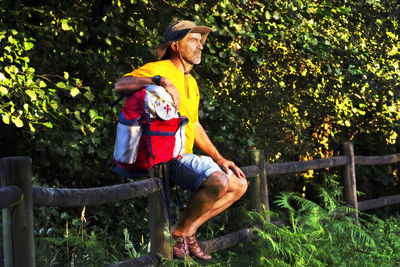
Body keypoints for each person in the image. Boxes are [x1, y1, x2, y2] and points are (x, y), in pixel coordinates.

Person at [114, 20, 248, 260]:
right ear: (175, 45)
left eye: (201, 41)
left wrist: (220, 158)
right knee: (218, 182)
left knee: (239, 184)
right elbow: (120, 85)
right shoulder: (160, 68)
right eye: (194, 40)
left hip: (183, 154)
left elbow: (193, 125)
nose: (201, 46)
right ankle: (178, 233)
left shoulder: (191, 81)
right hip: (165, 157)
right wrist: (158, 81)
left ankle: (187, 230)